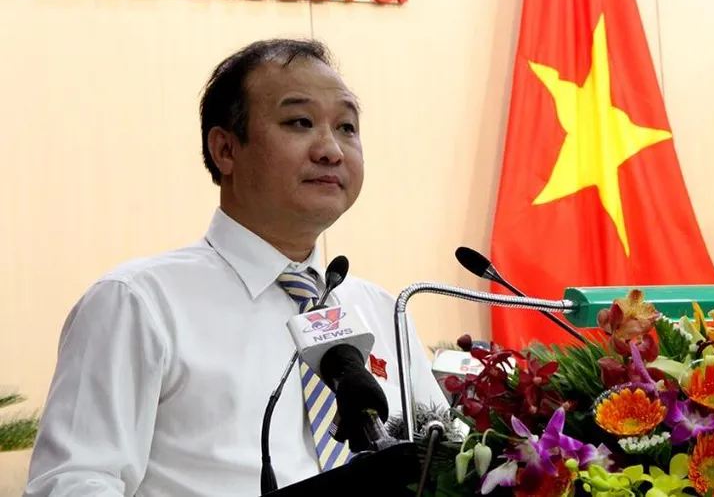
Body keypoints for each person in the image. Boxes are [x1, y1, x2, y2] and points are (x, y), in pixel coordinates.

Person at [23, 38, 450, 496]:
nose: (331, 150)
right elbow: (71, 484)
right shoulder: (138, 302)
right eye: (300, 122)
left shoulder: (382, 311)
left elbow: (448, 467)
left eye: (347, 127)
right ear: (226, 149)